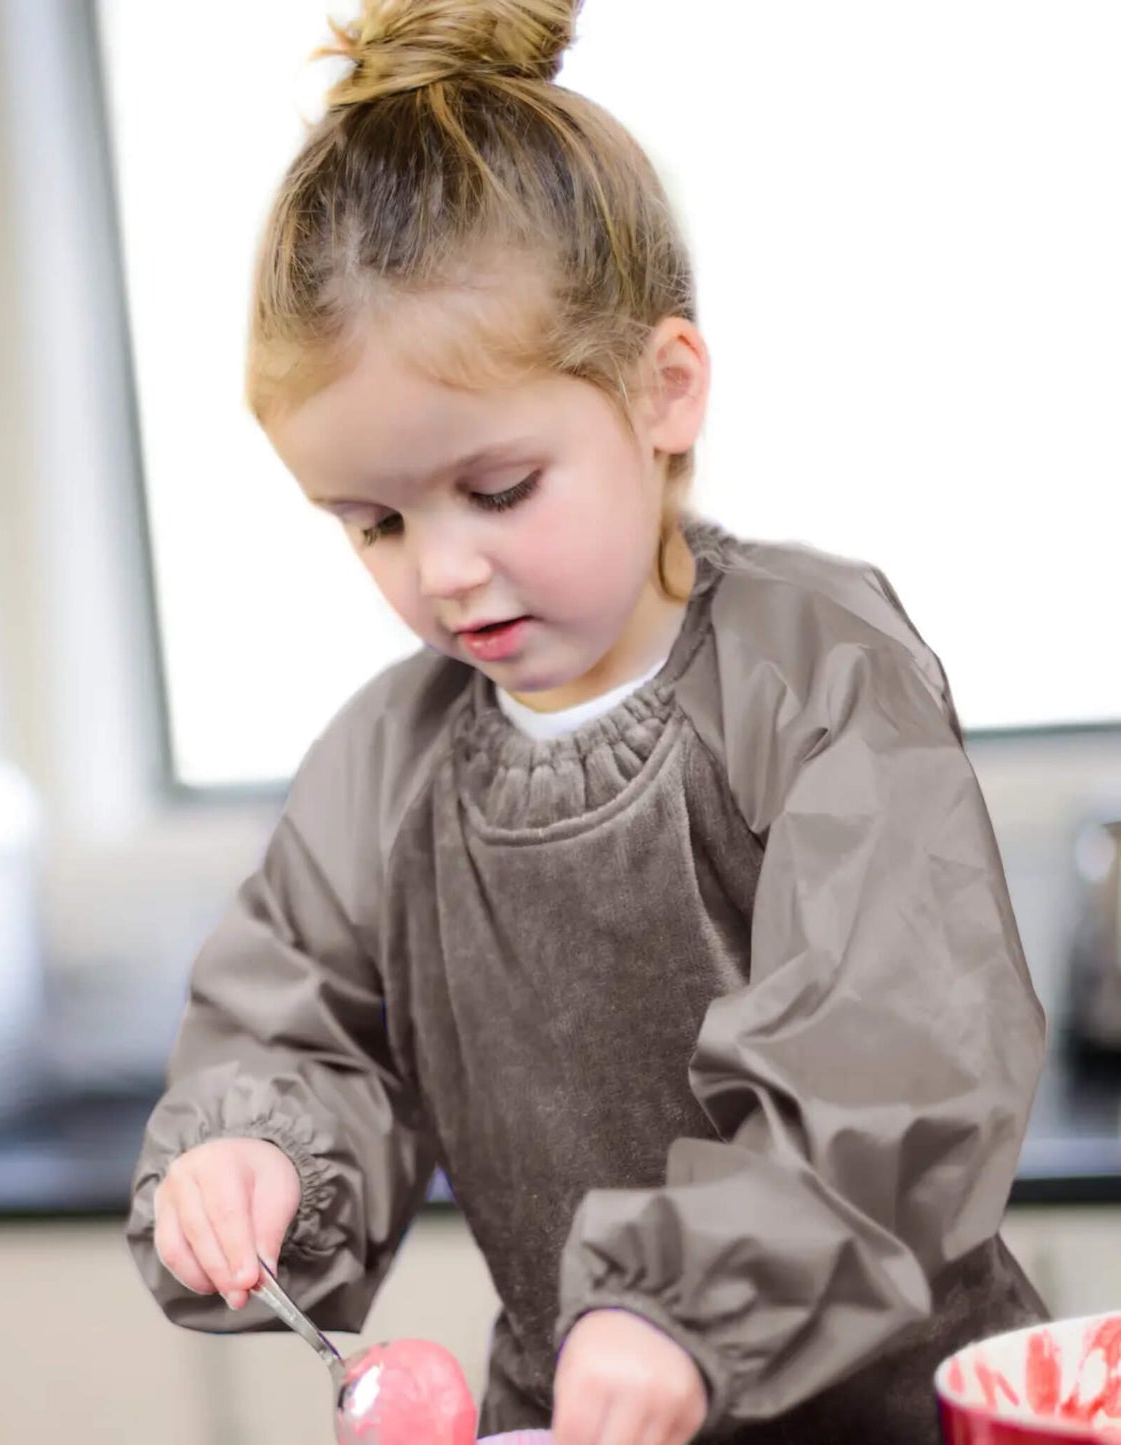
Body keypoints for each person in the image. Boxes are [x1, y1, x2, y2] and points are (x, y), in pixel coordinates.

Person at [126, 2, 1048, 1440]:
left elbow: (892, 1062)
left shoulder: (814, 665)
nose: (439, 570)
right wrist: (255, 1148)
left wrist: (686, 1299)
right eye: (370, 521)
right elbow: (298, 1026)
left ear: (660, 388)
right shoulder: (384, 762)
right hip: (576, 1405)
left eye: (497, 490)